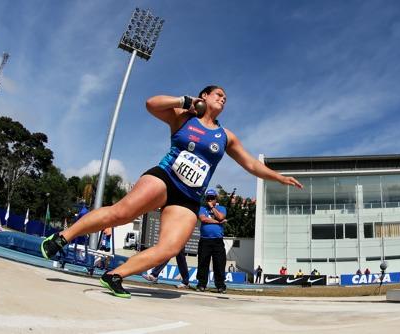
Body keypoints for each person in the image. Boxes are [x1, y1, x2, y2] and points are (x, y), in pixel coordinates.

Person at [40, 85, 303, 298]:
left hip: (188, 197)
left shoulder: (225, 136)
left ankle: (115, 275)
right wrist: (184, 100)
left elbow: (251, 164)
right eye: (218, 94)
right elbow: (151, 104)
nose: (223, 98)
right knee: (121, 213)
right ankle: (61, 238)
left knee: (169, 248)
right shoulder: (183, 117)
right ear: (204, 97)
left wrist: (278, 177)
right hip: (165, 178)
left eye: (225, 97)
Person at [195, 189, 228, 293]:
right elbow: (203, 219)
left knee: (219, 263)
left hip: (217, 240)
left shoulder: (221, 208)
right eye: (208, 198)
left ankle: (220, 285)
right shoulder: (202, 208)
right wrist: (218, 222)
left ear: (215, 198)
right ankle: (201, 284)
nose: (209, 199)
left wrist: (213, 208)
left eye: (212, 198)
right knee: (203, 263)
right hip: (205, 240)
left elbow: (221, 216)